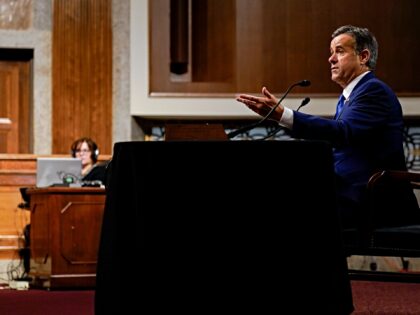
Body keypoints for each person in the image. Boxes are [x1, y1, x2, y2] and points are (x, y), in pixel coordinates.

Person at [236, 25, 420, 229]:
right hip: (349, 194)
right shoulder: (349, 97)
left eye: (339, 51)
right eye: (331, 52)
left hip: (373, 201)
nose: (331, 59)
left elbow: (343, 132)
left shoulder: (373, 91)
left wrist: (284, 115)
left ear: (364, 56)